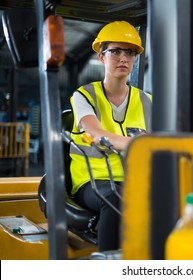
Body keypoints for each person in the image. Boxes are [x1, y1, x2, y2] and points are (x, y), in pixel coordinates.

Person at [68, 21, 152, 251]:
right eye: (115, 51)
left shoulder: (147, 101)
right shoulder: (84, 95)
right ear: (101, 57)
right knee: (116, 199)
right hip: (93, 181)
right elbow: (94, 133)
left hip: (133, 180)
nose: (123, 58)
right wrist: (139, 144)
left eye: (130, 52)